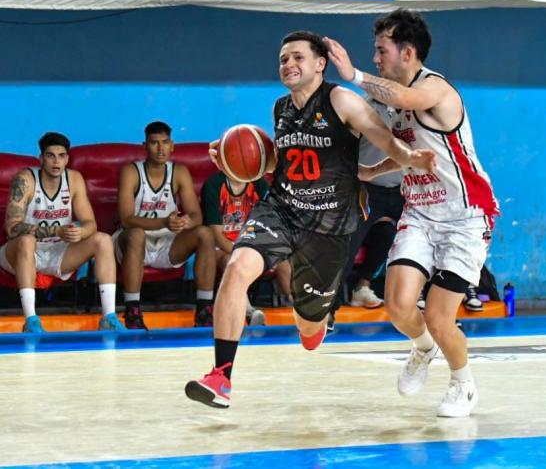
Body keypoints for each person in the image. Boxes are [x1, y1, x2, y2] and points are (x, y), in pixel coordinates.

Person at [185, 30, 436, 409]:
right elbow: (278, 163)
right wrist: (234, 162)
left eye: (297, 57)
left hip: (328, 227)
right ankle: (221, 377)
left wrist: (410, 158)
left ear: (320, 64)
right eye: (283, 59)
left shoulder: (340, 100)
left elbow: (383, 138)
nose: (289, 64)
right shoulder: (280, 109)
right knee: (236, 269)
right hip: (281, 210)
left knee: (308, 328)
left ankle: (314, 322)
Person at [324, 8, 499, 417]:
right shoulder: (397, 104)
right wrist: (372, 170)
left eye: (381, 50)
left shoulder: (435, 88)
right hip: (420, 212)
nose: (375, 58)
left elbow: (404, 98)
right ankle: (423, 348)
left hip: (465, 216)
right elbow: (412, 152)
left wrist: (352, 75)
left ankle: (463, 384)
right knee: (398, 305)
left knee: (439, 316)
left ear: (407, 52)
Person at [0, 132, 126, 333]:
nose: (56, 161)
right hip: (20, 253)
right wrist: (56, 230)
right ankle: (31, 320)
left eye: (61, 156)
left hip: (58, 252)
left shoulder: (74, 179)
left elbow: (90, 224)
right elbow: (12, 228)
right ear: (41, 159)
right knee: (26, 241)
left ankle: (109, 317)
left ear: (67, 159)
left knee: (102, 240)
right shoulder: (25, 180)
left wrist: (80, 232)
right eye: (50, 155)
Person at [113, 121, 216, 329]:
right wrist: (163, 222)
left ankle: (204, 310)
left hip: (167, 243)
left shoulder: (179, 172)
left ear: (172, 145)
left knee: (205, 234)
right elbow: (126, 219)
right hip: (133, 242)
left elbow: (196, 215)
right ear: (145, 146)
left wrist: (186, 221)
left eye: (165, 142)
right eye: (154, 143)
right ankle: (132, 311)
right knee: (136, 234)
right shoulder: (131, 172)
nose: (160, 149)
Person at [328, 97, 404, 329]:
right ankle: (327, 309)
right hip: (366, 189)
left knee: (392, 236)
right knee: (348, 247)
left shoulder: (412, 110)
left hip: (401, 190)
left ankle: (363, 287)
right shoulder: (362, 108)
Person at [200, 170, 292, 325]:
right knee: (232, 263)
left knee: (283, 263)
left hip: (251, 244)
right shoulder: (214, 184)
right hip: (221, 247)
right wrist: (240, 254)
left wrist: (269, 252)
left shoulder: (259, 184)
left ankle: (298, 308)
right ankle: (250, 312)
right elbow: (215, 234)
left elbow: (270, 224)